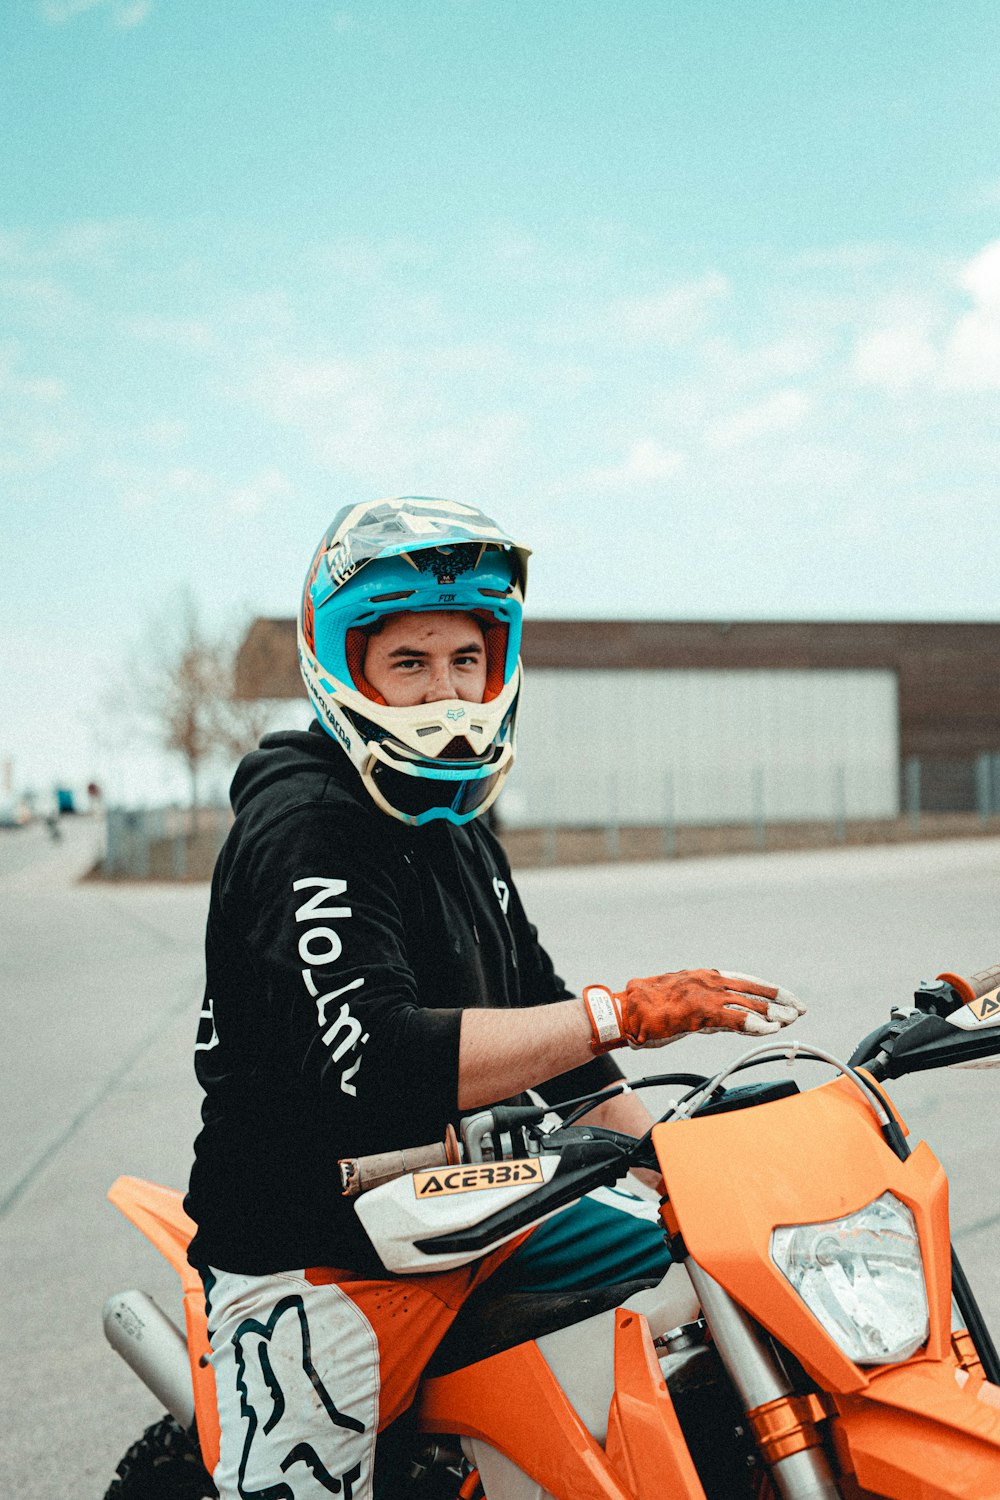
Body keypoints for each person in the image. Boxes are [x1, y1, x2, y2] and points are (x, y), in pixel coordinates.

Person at [184, 495, 805, 1499]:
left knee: (727, 1274)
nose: (447, 691)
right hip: (320, 1252)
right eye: (411, 663)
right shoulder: (306, 821)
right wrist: (624, 1011)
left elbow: (553, 1026)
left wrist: (667, 1162)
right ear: (344, 665)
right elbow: (377, 1057)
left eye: (466, 660)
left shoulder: (456, 823)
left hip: (477, 1209)